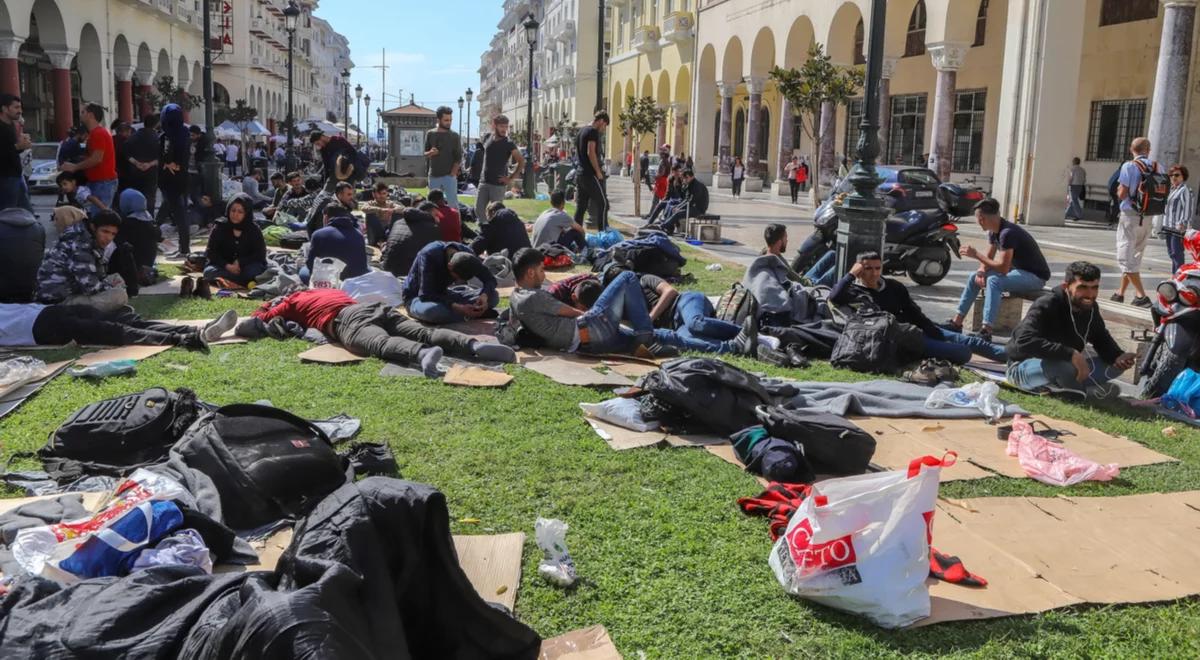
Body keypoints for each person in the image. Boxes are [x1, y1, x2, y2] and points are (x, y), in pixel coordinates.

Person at [240, 288, 515, 377]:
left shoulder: (290, 302)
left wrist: (268, 305)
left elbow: (259, 318)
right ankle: (473, 346)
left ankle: (420, 356)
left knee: (377, 343)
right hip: (374, 307)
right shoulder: (326, 290)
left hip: (346, 319)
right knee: (422, 331)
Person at [830, 251, 1005, 364]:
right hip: (901, 338)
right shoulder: (854, 291)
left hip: (918, 328)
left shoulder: (894, 286)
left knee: (970, 340)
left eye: (878, 268)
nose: (875, 273)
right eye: (868, 269)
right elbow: (834, 297)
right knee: (963, 353)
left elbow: (914, 312)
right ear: (860, 270)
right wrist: (851, 275)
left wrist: (933, 331)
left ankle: (1014, 356)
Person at [509, 247, 684, 357]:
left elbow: (512, 325)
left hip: (588, 346)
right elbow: (571, 312)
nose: (544, 275)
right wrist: (599, 316)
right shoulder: (533, 297)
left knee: (660, 336)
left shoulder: (515, 297)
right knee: (627, 276)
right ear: (530, 273)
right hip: (590, 329)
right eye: (541, 270)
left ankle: (709, 345)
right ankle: (645, 340)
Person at [1006, 261, 1135, 398]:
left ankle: (1065, 388)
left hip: (1069, 366)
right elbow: (1024, 341)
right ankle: (1081, 391)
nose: (1089, 294)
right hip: (1025, 368)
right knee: (1063, 367)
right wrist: (1070, 354)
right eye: (1083, 287)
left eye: (1094, 287)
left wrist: (1118, 356)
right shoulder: (1047, 304)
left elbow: (1100, 337)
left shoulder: (1090, 308)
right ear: (1066, 286)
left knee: (1114, 367)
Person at [946, 198, 1050, 341]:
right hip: (1017, 272)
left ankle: (986, 330)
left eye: (978, 219)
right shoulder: (993, 231)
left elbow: (1002, 268)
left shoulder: (1007, 233)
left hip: (1035, 277)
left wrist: (976, 254)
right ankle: (956, 323)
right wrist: (981, 271)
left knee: (995, 281)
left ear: (983, 219)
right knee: (973, 277)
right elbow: (989, 256)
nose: (978, 222)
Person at [1, 302, 234, 350]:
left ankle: (196, 330)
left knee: (126, 321)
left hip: (48, 309)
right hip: (42, 328)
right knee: (115, 332)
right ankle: (184, 339)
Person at [35, 210, 128, 311]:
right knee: (119, 296)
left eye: (113, 234)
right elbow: (91, 287)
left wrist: (110, 285)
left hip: (71, 291)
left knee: (116, 279)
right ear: (93, 227)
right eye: (105, 231)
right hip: (57, 302)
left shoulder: (86, 237)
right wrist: (110, 287)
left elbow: (98, 276)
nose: (108, 238)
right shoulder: (80, 245)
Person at [1113, 137, 1162, 307]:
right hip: (1148, 216)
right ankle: (1119, 293)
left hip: (1130, 215)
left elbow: (1122, 193)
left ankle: (1141, 296)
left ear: (1131, 149)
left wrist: (1119, 189)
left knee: (1125, 257)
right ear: (1148, 149)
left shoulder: (1129, 166)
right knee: (1135, 256)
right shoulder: (1157, 166)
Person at [403, 241, 498, 324]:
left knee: (493, 296)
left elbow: (490, 279)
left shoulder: (468, 255)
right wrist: (456, 307)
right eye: (457, 278)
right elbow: (426, 295)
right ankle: (468, 315)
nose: (456, 281)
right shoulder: (429, 255)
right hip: (418, 298)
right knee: (433, 312)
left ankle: (465, 314)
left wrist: (484, 295)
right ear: (450, 266)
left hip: (445, 295)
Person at [59, 104, 117, 216]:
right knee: (97, 216)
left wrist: (74, 167)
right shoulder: (96, 133)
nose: (80, 115)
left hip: (102, 182)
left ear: (90, 115)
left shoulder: (98, 133)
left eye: (83, 112)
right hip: (99, 181)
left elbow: (97, 159)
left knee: (100, 218)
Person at [204, 194, 269, 287]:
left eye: (240, 212)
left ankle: (231, 280)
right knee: (209, 273)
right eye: (233, 210)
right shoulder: (220, 226)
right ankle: (243, 281)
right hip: (224, 266)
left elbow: (260, 254)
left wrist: (240, 262)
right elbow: (210, 252)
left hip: (246, 266)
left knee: (253, 272)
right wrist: (227, 266)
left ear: (246, 213)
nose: (235, 215)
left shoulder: (253, 229)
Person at [476, 116, 524, 224]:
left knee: (497, 214)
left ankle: (494, 235)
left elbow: (521, 161)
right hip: (483, 181)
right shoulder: (488, 137)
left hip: (498, 184)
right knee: (478, 210)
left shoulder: (508, 143)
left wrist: (510, 179)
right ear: (494, 125)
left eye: (506, 127)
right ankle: (485, 231)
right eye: (502, 126)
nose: (504, 129)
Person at [159, 104, 192, 259]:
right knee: (178, 212)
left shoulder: (168, 136)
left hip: (171, 180)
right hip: (182, 178)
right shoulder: (184, 132)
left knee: (179, 214)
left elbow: (164, 156)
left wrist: (168, 164)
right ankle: (183, 247)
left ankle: (184, 249)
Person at [381, 204, 441, 277]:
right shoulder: (432, 228)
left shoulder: (398, 222)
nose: (439, 218)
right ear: (427, 214)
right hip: (408, 275)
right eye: (436, 215)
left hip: (387, 269)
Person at [574, 111, 609, 231]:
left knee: (581, 207)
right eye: (604, 126)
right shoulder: (593, 132)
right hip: (590, 174)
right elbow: (591, 152)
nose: (603, 129)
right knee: (603, 204)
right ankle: (603, 232)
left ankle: (575, 234)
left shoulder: (581, 131)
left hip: (580, 173)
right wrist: (598, 172)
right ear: (600, 121)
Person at [425, 106, 463, 206]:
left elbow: (458, 156)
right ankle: (432, 222)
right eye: (446, 120)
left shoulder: (455, 136)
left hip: (449, 176)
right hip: (433, 176)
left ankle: (455, 222)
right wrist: (430, 153)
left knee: (453, 204)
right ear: (438, 120)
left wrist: (452, 174)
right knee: (432, 204)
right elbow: (424, 153)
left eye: (450, 120)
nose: (449, 122)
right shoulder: (430, 134)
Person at [117, 188, 159, 281]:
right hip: (149, 263)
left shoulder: (127, 223)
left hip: (135, 265)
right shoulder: (149, 220)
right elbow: (159, 236)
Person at [0, 93, 32, 213]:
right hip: (5, 177)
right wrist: (18, 146)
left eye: (20, 107)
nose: (20, 111)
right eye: (16, 107)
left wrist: (22, 146)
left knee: (26, 213)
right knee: (8, 214)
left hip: (16, 176)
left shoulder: (11, 125)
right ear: (4, 108)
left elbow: (11, 149)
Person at [124, 113, 160, 214]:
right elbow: (161, 156)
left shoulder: (133, 137)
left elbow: (126, 153)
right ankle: (149, 218)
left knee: (136, 195)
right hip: (151, 172)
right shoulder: (157, 138)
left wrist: (137, 163)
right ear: (156, 124)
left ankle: (136, 217)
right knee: (150, 197)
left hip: (135, 171)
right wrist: (149, 164)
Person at [1163, 164, 1197, 272]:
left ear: (1183, 176)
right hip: (1168, 226)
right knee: (1172, 253)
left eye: (1177, 175)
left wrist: (1183, 223)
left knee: (1177, 254)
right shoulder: (1172, 189)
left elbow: (1187, 208)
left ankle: (1179, 278)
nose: (1173, 177)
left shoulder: (1184, 190)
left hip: (1178, 227)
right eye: (1171, 175)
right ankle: (1175, 276)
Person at [657, 169, 708, 235]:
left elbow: (691, 201)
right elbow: (685, 199)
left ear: (689, 177)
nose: (684, 180)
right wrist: (678, 206)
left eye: (685, 178)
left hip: (698, 209)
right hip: (692, 206)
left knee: (678, 213)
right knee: (673, 208)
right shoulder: (690, 184)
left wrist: (679, 208)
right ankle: (669, 229)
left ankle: (663, 226)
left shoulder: (697, 186)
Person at [361, 181, 401, 246]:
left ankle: (387, 241)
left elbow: (402, 208)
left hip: (388, 232)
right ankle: (380, 241)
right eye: (379, 194)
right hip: (375, 234)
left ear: (387, 193)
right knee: (370, 215)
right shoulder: (371, 203)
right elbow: (363, 208)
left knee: (398, 214)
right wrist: (380, 210)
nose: (382, 196)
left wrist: (392, 210)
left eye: (384, 193)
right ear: (373, 194)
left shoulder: (390, 203)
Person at [1065, 157, 1087, 221]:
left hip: (1074, 186)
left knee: (1074, 200)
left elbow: (1071, 178)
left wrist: (1068, 185)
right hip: (1080, 186)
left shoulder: (1072, 169)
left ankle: (1079, 215)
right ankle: (1066, 214)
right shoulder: (1083, 170)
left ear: (1074, 162)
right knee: (1072, 200)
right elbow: (1084, 179)